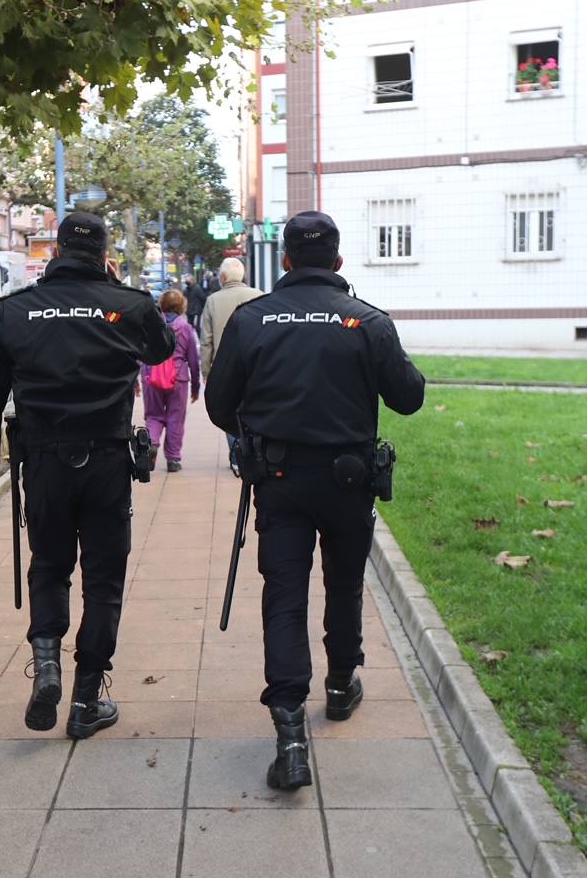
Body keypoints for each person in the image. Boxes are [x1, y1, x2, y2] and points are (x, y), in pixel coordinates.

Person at [204, 210, 426, 791]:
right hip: (348, 481)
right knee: (345, 583)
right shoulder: (366, 321)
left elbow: (219, 406)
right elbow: (409, 397)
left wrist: (260, 419)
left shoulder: (253, 320)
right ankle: (339, 684)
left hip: (278, 479)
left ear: (283, 261)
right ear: (338, 261)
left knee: (284, 595)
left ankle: (289, 734)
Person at [0, 211, 175, 739]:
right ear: (104, 256)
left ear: (55, 252)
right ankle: (86, 700)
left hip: (42, 463)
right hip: (108, 461)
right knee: (104, 580)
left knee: (50, 566)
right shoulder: (128, 306)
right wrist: (110, 289)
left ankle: (47, 666)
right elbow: (162, 350)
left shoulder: (14, 312)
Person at [199, 257, 263, 475]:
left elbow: (206, 339)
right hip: (256, 365)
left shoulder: (213, 301)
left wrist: (206, 371)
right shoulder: (260, 296)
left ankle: (237, 453)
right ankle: (255, 449)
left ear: (223, 277)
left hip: (223, 366)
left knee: (230, 409)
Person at [139, 289, 200, 473]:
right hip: (178, 378)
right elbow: (194, 360)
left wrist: (135, 380)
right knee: (176, 417)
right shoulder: (186, 329)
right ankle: (173, 460)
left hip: (151, 375)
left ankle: (152, 443)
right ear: (181, 306)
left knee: (153, 415)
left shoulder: (150, 326)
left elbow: (139, 352)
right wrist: (196, 386)